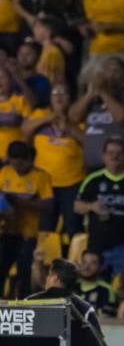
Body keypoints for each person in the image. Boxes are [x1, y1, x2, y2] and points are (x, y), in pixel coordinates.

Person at [74, 137, 124, 277]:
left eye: (119, 153)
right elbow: (77, 206)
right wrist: (91, 206)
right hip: (97, 246)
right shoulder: (93, 180)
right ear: (104, 156)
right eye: (110, 152)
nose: (115, 156)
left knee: (121, 285)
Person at [22, 82, 85, 238]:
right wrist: (48, 118)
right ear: (49, 98)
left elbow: (88, 143)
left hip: (72, 183)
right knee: (45, 229)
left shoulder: (77, 117)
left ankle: (72, 261)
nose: (59, 96)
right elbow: (25, 130)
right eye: (55, 93)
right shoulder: (40, 114)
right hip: (45, 183)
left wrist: (69, 127)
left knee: (73, 228)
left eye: (63, 93)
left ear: (70, 98)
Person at [69, 57, 124, 172]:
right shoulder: (93, 100)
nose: (111, 75)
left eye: (116, 71)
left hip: (122, 168)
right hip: (92, 168)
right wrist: (90, 93)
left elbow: (121, 117)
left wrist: (103, 92)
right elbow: (73, 117)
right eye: (107, 70)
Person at [0, 141, 53, 297]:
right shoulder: (5, 172)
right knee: (1, 268)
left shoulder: (41, 177)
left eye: (21, 162)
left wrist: (20, 202)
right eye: (14, 161)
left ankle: (23, 305)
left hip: (28, 234)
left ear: (30, 159)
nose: (18, 167)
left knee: (24, 272)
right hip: (6, 231)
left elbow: (48, 205)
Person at [28, 257, 102, 332]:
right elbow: (98, 340)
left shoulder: (29, 302)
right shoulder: (86, 308)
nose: (47, 278)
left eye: (49, 275)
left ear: (55, 278)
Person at [0, 65, 32, 161]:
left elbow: (28, 130)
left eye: (3, 77)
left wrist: (17, 154)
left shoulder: (20, 100)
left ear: (11, 80)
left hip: (15, 158)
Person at [76, 249, 117, 317]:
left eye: (93, 263)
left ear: (101, 267)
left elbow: (107, 318)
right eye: (84, 262)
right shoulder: (70, 286)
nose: (87, 267)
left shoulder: (107, 290)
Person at [32, 14, 66, 86]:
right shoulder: (41, 50)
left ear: (48, 30)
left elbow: (54, 78)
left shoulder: (53, 52)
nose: (34, 30)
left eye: (38, 27)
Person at [16, 41, 51, 108]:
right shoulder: (9, 78)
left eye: (28, 54)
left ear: (38, 57)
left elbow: (34, 104)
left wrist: (18, 78)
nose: (23, 57)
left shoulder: (42, 81)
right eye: (20, 53)